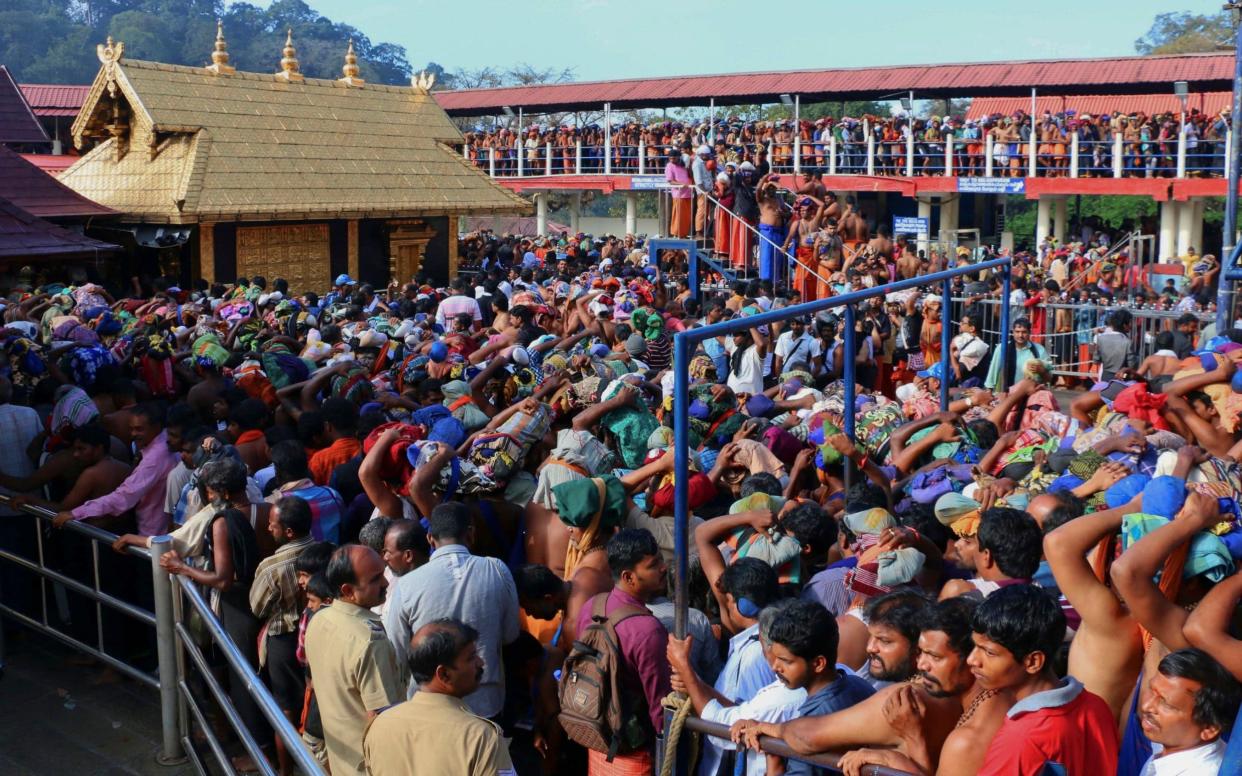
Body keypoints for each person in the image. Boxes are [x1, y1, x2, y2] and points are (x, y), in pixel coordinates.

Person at [383, 501, 520, 719]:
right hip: (485, 702)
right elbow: (510, 634)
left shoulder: (407, 584)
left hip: (429, 707)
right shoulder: (496, 570)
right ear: (471, 534)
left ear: (430, 539)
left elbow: (396, 652)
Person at [971, 584, 1118, 776]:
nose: (972, 659)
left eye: (989, 652)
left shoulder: (1022, 737)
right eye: (974, 646)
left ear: (1033, 661)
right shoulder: (1095, 706)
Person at [363, 618, 516, 776]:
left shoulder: (380, 725)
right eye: (471, 658)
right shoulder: (481, 737)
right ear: (444, 674)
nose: (481, 662)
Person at [576, 528, 671, 775]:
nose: (663, 568)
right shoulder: (648, 630)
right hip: (632, 752)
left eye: (661, 559)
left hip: (596, 734)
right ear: (629, 577)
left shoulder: (592, 606)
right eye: (653, 565)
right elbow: (660, 706)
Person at [304, 544, 403, 776]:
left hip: (342, 758)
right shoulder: (369, 640)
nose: (386, 583)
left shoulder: (319, 619)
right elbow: (382, 718)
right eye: (376, 579)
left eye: (384, 572)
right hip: (371, 765)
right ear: (348, 590)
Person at [249, 495, 315, 773]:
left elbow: (257, 607)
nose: (268, 529)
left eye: (272, 525)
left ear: (288, 531)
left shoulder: (271, 567)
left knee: (285, 710)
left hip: (285, 641)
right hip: (318, 633)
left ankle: (286, 770)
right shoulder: (328, 550)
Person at [57, 402, 179, 536]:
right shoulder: (165, 442)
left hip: (154, 533)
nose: (133, 434)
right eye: (131, 429)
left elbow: (124, 497)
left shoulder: (155, 457)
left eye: (139, 429)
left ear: (156, 427)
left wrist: (77, 513)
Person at [1137, 648, 1240, 775]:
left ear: (1209, 728)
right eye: (1151, 690)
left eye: (1166, 704)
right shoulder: (1173, 742)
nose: (1146, 706)